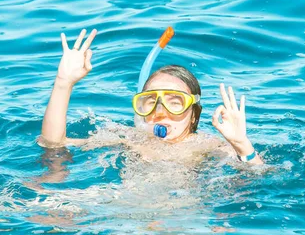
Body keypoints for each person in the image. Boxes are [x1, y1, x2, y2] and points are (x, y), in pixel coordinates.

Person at [39, 29, 263, 165]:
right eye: (150, 102)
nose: (160, 111)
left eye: (175, 103)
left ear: (193, 116)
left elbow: (258, 178)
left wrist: (242, 145)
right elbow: (53, 144)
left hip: (181, 219)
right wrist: (63, 83)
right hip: (119, 209)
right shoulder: (128, 139)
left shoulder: (207, 146)